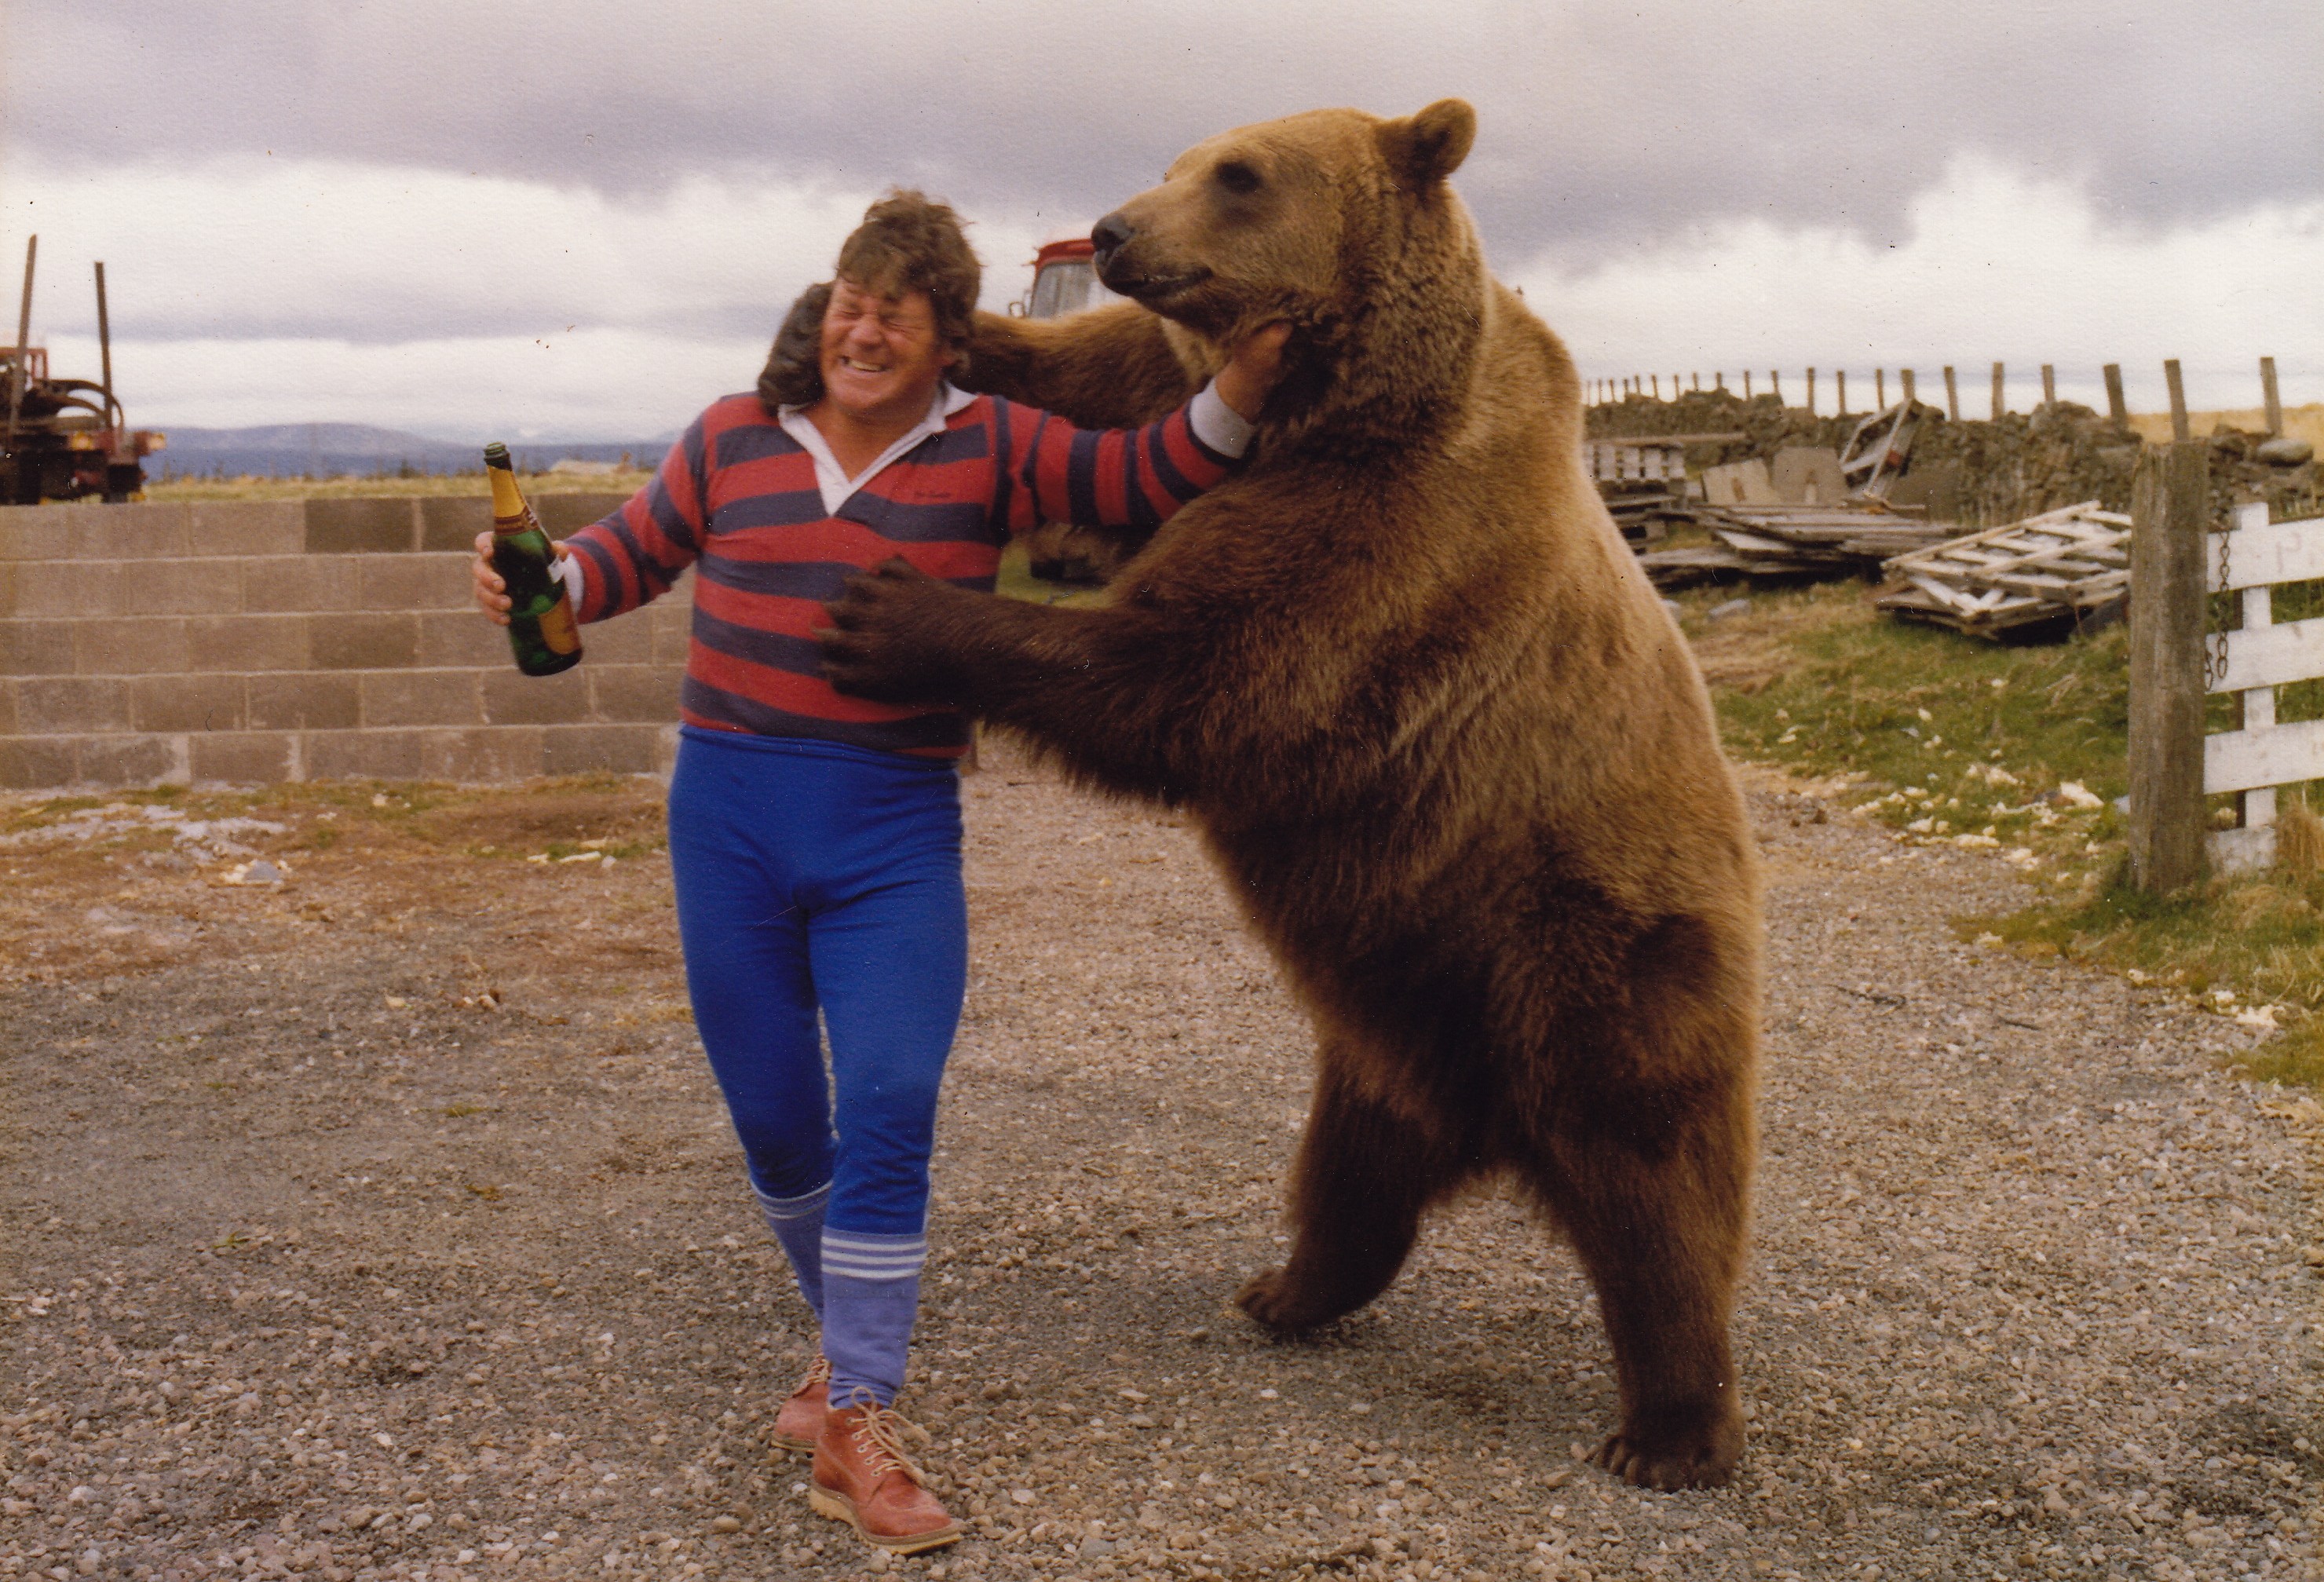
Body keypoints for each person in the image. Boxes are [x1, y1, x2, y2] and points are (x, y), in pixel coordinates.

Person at [473, 191, 1288, 1555]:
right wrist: (534, 574)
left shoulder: (996, 447)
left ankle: (857, 1414)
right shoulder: (734, 434)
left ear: (941, 339)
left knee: (895, 1098)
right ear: (829, 305)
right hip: (727, 817)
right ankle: (837, 1358)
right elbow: (618, 560)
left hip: (892, 826)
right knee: (784, 1125)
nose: (864, 329)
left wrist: (1246, 387)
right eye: (853, 301)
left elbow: (1144, 475)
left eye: (897, 316)